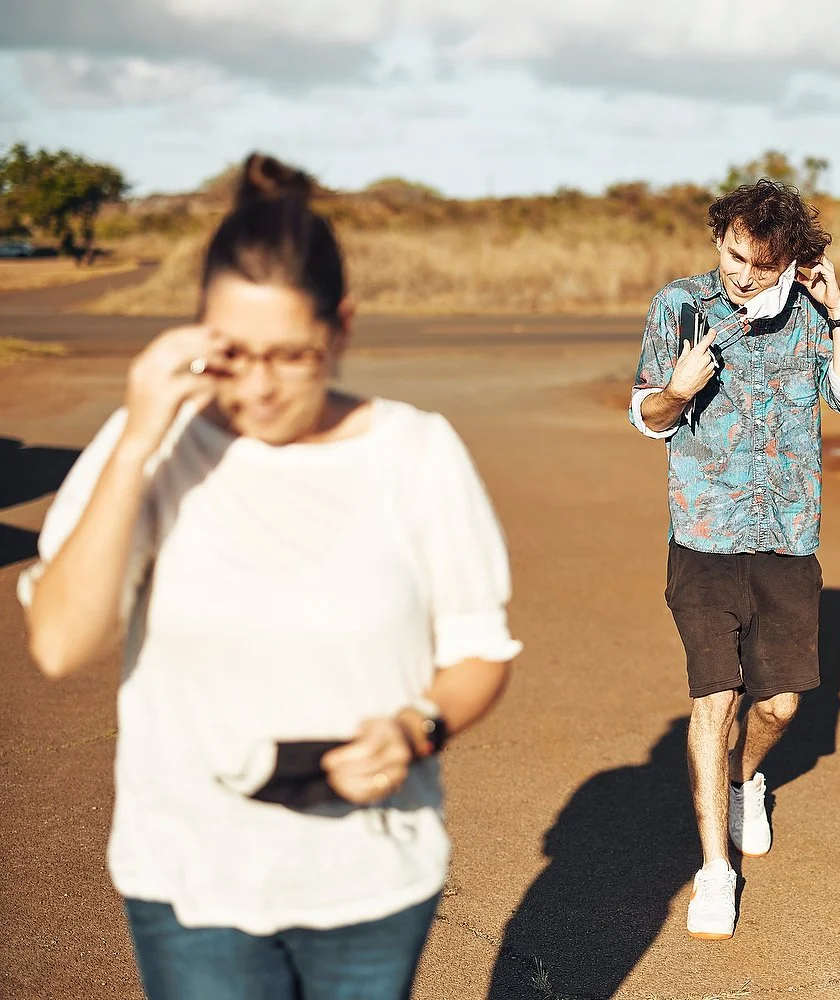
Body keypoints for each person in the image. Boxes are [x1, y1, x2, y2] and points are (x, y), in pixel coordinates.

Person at [17, 153, 522, 1000]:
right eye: (232, 354)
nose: (257, 387)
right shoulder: (148, 444)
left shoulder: (416, 451)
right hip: (190, 880)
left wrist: (415, 729)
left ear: (343, 328)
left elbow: (479, 650)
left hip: (370, 878)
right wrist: (141, 433)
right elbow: (62, 644)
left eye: (290, 355)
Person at [629, 179, 840, 940]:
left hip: (787, 539)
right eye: (735, 255)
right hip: (704, 537)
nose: (743, 275)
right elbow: (647, 413)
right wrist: (676, 389)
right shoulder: (681, 306)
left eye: (762, 266)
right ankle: (713, 871)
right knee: (717, 700)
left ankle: (745, 782)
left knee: (779, 706)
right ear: (720, 241)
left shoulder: (810, 313)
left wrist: (837, 312)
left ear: (790, 260)